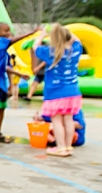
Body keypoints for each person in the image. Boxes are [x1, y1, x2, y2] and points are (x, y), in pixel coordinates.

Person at [33, 24, 83, 156]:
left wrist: (43, 35)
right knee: (68, 120)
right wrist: (62, 30)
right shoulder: (76, 50)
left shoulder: (51, 52)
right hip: (73, 92)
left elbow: (35, 47)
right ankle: (68, 147)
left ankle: (60, 147)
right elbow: (77, 39)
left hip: (55, 93)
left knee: (57, 121)